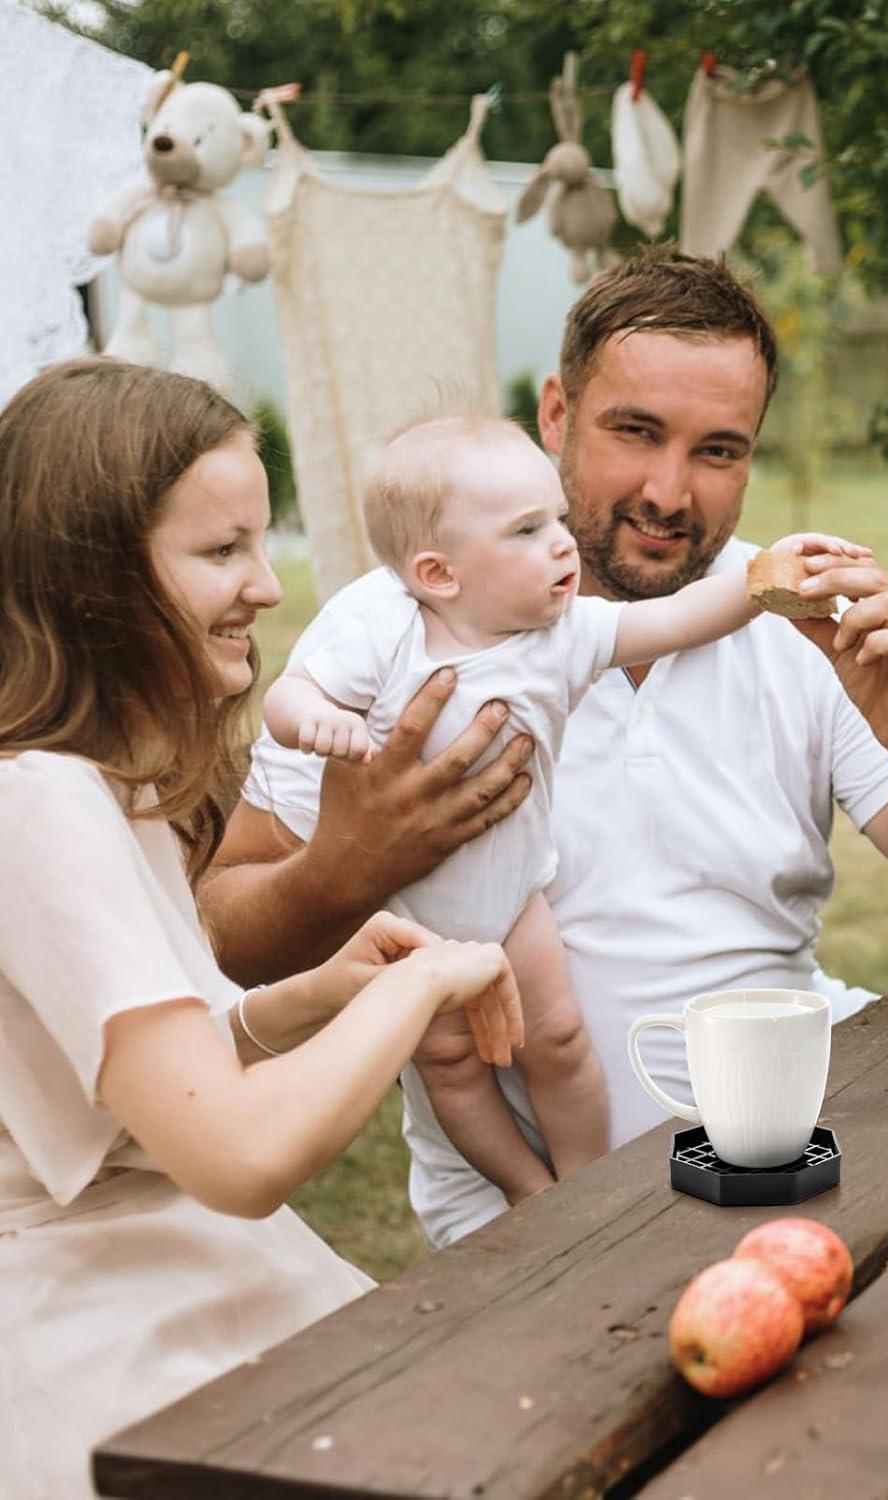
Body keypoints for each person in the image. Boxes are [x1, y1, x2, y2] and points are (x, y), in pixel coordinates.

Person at [202, 247, 888, 1248]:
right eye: (636, 432)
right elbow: (226, 940)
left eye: (718, 450)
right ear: (557, 416)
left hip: (797, 1161)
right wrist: (344, 870)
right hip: (531, 1230)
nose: (669, 491)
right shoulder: (400, 629)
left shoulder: (793, 616)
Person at [0, 358, 524, 1497]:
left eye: (261, 540)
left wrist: (309, 997)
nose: (269, 588)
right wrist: (416, 992)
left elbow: (132, 1071)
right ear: (94, 578)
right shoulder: (34, 801)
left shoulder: (98, 785)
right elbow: (234, 1155)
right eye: (222, 551)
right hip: (98, 1330)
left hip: (177, 1271)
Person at [259, 412, 868, 1205]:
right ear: (440, 574)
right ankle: (526, 1192)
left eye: (555, 518)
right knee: (449, 1062)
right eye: (526, 530)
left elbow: (677, 620)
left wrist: (761, 584)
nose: (560, 544)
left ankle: (579, 1190)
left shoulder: (565, 634)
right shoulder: (389, 633)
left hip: (514, 899)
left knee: (557, 1038)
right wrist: (316, 717)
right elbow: (288, 695)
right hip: (409, 918)